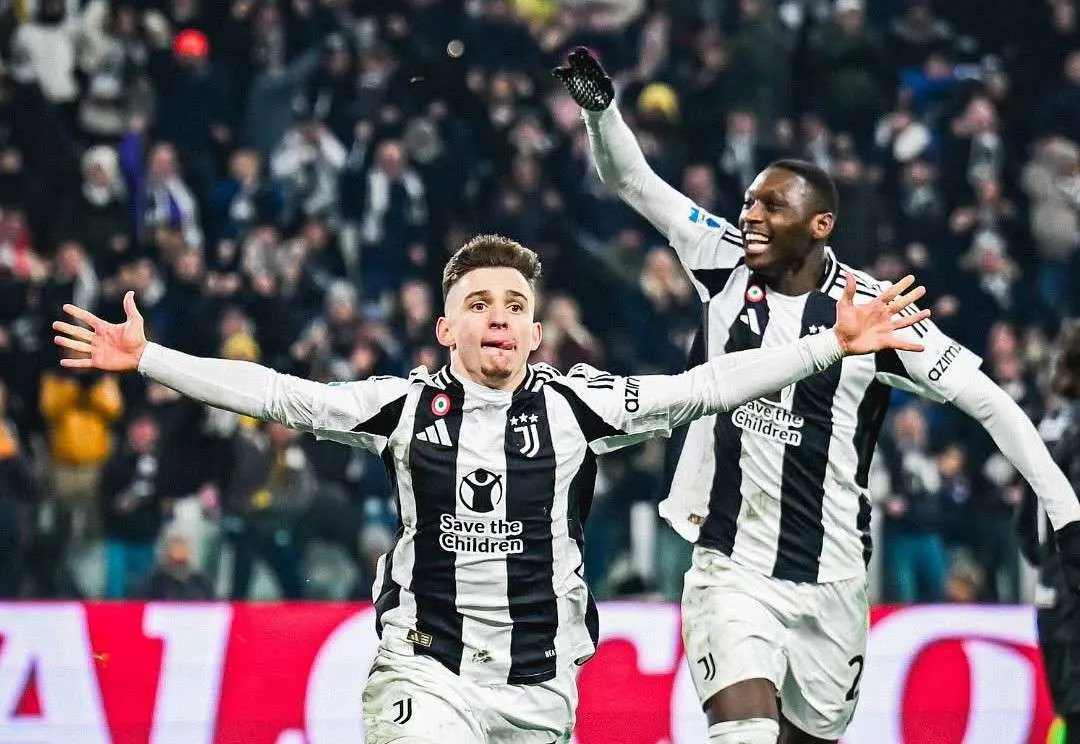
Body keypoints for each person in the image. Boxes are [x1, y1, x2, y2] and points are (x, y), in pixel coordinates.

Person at [53, 234, 928, 744]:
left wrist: (830, 346)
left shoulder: (581, 406)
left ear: (537, 330)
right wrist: (150, 359)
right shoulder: (401, 406)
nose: (498, 315)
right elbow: (283, 395)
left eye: (514, 302)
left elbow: (702, 387)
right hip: (423, 670)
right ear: (446, 327)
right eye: (479, 302)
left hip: (541, 688)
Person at [554, 47, 1080, 744]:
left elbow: (989, 401)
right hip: (729, 568)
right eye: (748, 201)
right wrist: (600, 111)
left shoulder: (876, 311)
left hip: (832, 580)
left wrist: (1067, 514)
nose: (752, 215)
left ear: (821, 224)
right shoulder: (722, 260)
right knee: (742, 734)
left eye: (774, 204)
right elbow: (636, 183)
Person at [1017, 321, 1080, 744]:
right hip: (1072, 590)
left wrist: (1046, 562)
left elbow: (1024, 525)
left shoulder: (1050, 424)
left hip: (1053, 588)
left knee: (1069, 711)